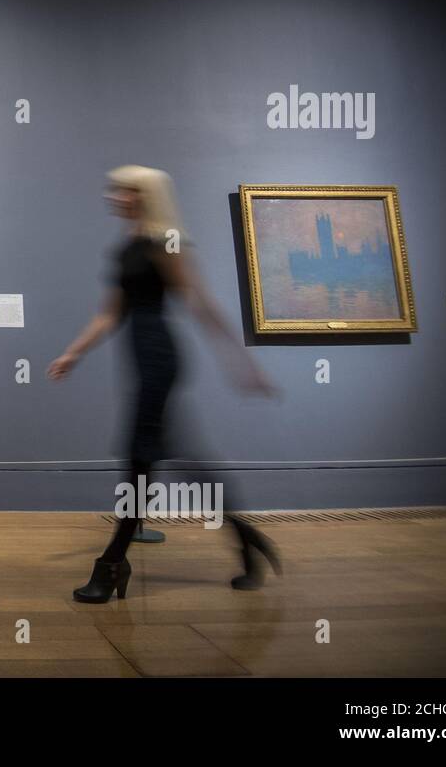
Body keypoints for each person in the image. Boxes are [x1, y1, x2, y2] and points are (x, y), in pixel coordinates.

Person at [47, 165, 280, 603]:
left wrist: (242, 363)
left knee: (139, 459)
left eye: (125, 190)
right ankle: (247, 538)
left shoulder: (166, 241)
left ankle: (113, 562)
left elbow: (199, 301)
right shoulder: (126, 247)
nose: (114, 196)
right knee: (170, 458)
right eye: (115, 188)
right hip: (141, 359)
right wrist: (74, 353)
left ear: (146, 196)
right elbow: (110, 313)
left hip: (160, 358)